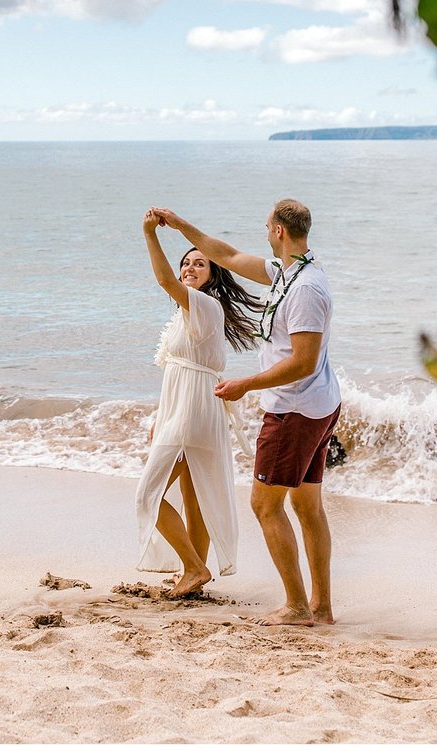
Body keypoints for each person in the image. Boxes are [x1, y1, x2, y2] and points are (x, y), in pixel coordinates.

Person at [152, 200, 340, 626]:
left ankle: (296, 607)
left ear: (278, 231)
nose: (264, 232)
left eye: (267, 226)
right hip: (314, 404)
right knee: (307, 508)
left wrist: (244, 386)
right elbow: (227, 255)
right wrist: (181, 224)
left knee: (265, 505)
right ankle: (321, 607)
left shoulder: (306, 288)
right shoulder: (286, 272)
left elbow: (303, 361)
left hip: (295, 409)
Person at [136, 208, 262, 597]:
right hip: (190, 408)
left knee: (148, 495)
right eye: (186, 262)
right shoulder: (190, 311)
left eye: (199, 263)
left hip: (192, 410)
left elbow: (162, 279)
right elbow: (179, 370)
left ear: (213, 273)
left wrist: (150, 234)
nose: (190, 267)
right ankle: (194, 577)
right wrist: (161, 415)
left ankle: (193, 568)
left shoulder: (205, 305)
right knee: (194, 495)